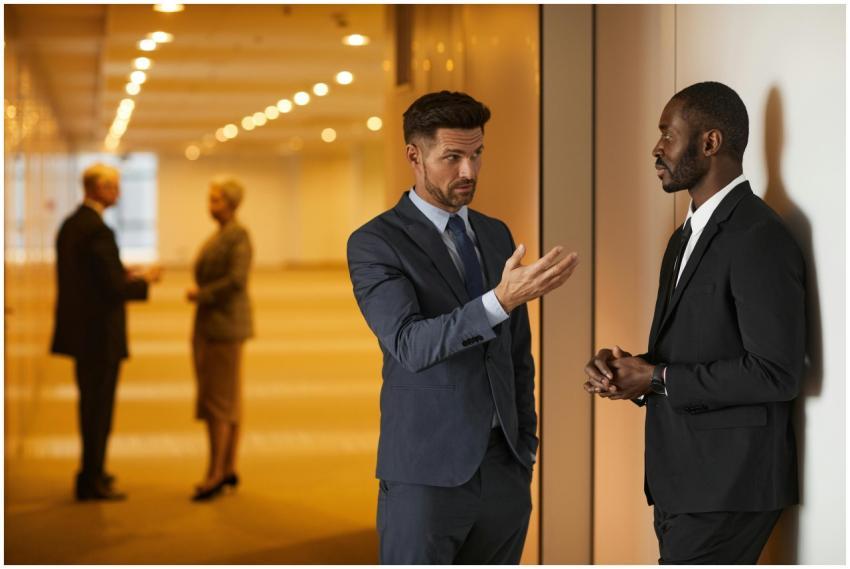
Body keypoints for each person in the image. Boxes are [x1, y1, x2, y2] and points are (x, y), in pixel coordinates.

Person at [347, 91, 579, 563]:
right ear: (414, 155)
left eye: (476, 155)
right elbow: (410, 344)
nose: (468, 172)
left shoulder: (494, 234)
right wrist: (500, 301)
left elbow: (517, 355)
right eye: (452, 157)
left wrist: (524, 447)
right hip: (426, 474)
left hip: (503, 471)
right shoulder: (376, 242)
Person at [583, 82, 805, 564]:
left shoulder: (757, 235)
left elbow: (777, 372)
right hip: (681, 484)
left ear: (710, 142)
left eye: (668, 134)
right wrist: (631, 369)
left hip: (729, 489)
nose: (657, 149)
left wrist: (657, 377)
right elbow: (696, 350)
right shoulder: (684, 236)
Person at [51, 163, 162, 501]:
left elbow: (89, 277)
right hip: (100, 337)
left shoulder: (71, 225)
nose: (119, 193)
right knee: (99, 410)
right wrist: (145, 280)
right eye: (114, 186)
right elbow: (111, 289)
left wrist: (121, 272)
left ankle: (93, 471)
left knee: (90, 406)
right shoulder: (99, 230)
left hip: (80, 334)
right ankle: (91, 478)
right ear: (98, 188)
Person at [186, 178, 253, 501]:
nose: (210, 205)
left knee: (219, 403)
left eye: (215, 200)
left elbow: (236, 280)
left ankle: (215, 473)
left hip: (223, 327)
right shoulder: (222, 235)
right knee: (227, 402)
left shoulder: (237, 236)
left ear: (230, 203)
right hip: (212, 324)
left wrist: (202, 293)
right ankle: (226, 468)